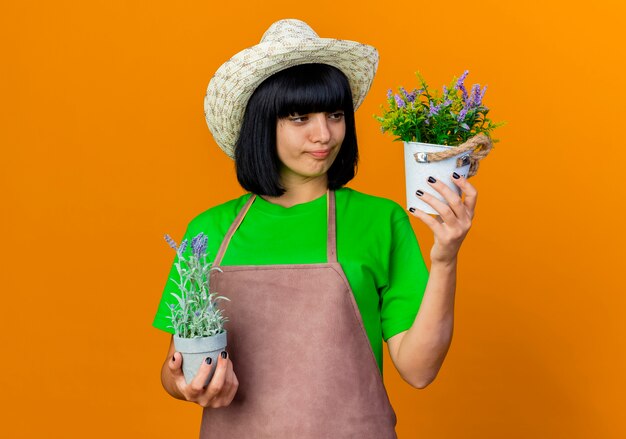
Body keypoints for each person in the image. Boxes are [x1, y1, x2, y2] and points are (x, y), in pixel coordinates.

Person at [152, 19, 476, 438]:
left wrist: (445, 258)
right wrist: (184, 383)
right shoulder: (207, 231)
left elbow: (419, 370)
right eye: (300, 117)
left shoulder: (379, 220)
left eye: (335, 115)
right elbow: (172, 368)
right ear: (261, 124)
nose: (324, 134)